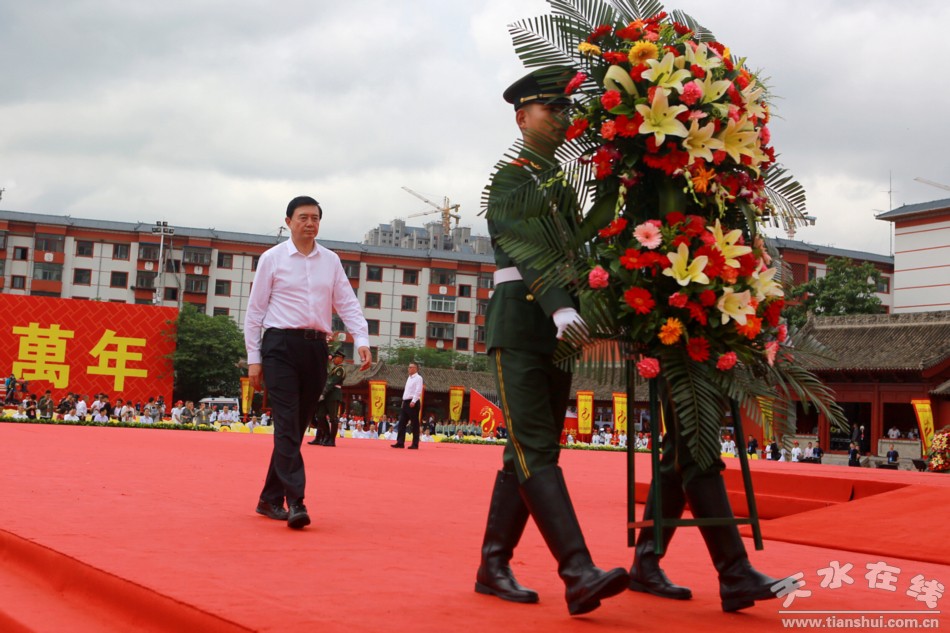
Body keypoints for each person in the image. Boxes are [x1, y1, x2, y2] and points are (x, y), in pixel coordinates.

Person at [474, 68, 628, 617]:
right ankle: (577, 571)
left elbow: (579, 246)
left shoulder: (558, 184)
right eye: (550, 109)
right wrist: (560, 306)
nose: (562, 118)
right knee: (535, 446)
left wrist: (612, 187)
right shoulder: (510, 181)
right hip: (522, 324)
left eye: (566, 110)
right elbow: (526, 249)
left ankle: (493, 564)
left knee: (531, 449)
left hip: (557, 330)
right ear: (522, 118)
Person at [245, 195, 370, 529]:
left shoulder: (330, 260)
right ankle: (296, 501)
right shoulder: (272, 259)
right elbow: (255, 311)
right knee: (287, 423)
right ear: (288, 222)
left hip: (316, 348)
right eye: (303, 217)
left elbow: (347, 303)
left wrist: (361, 339)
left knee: (297, 426)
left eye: (315, 218)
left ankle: (269, 498)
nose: (310, 223)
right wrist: (253, 358)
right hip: (279, 346)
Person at [310, 349, 347, 447]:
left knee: (333, 418)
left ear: (340, 359)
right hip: (327, 395)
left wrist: (323, 393)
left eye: (335, 357)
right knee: (320, 415)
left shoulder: (340, 369)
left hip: (333, 395)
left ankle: (332, 439)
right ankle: (326, 435)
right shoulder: (333, 369)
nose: (333, 359)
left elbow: (331, 382)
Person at [392, 362, 424, 450]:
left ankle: (415, 444)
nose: (408, 369)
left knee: (414, 423)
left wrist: (413, 401)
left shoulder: (418, 378)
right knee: (401, 423)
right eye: (408, 367)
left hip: (413, 402)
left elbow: (418, 390)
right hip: (406, 402)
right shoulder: (409, 378)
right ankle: (400, 442)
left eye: (410, 367)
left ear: (415, 368)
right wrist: (404, 401)